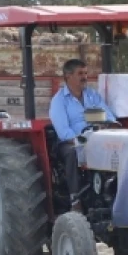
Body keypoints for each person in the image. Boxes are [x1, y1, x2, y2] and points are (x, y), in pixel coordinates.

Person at [49, 58, 117, 212]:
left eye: (86, 73)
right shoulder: (59, 101)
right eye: (80, 73)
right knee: (73, 153)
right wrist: (82, 141)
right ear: (68, 76)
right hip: (71, 142)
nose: (84, 77)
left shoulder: (92, 95)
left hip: (98, 138)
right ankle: (75, 199)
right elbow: (63, 131)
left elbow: (109, 115)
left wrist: (109, 124)